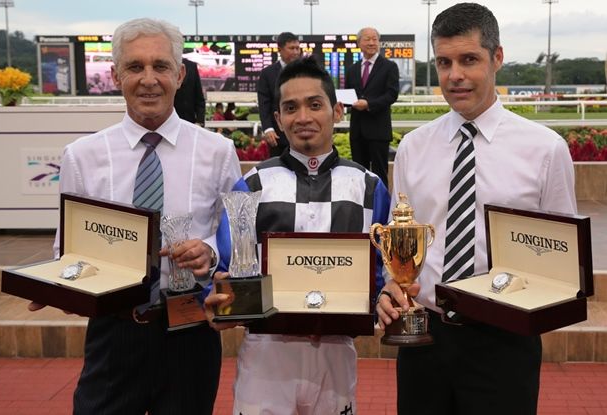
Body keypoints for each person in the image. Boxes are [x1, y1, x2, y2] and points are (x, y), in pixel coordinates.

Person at [29, 18, 241, 414]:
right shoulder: (83, 155)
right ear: (114, 76)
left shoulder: (218, 151)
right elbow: (67, 250)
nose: (148, 79)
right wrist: (58, 285)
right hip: (114, 330)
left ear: (179, 75)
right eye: (135, 67)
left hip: (190, 327)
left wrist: (209, 253)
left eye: (160, 66)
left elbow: (234, 235)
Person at [376, 4, 577, 415]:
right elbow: (401, 248)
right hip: (425, 338)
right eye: (445, 62)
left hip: (504, 342)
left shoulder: (544, 149)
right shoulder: (414, 147)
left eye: (469, 60)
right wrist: (390, 285)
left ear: (497, 58)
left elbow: (563, 260)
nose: (455, 76)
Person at [206, 56, 390, 414]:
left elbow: (381, 272)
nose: (303, 117)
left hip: (336, 350)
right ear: (278, 119)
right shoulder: (252, 184)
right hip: (267, 352)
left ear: (337, 111)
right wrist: (221, 296)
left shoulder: (369, 187)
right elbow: (230, 266)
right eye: (290, 108)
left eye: (315, 105)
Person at [345, 27, 399, 188]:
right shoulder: (352, 69)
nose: (371, 43)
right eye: (367, 39)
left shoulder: (389, 67)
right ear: (359, 43)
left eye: (374, 39)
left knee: (379, 174)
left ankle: (381, 210)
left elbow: (392, 94)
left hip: (378, 131)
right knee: (358, 173)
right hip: (357, 131)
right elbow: (348, 95)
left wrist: (369, 104)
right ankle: (359, 208)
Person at [257, 31, 301, 157]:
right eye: (292, 48)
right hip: (277, 135)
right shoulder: (267, 74)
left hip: (301, 132)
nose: (296, 52)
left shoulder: (307, 71)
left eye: (298, 48)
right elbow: (264, 104)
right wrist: (268, 129)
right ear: (280, 50)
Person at [174, 57, 206, 126]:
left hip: (189, 120)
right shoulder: (163, 64)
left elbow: (199, 98)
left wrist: (200, 122)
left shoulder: (191, 66)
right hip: (168, 122)